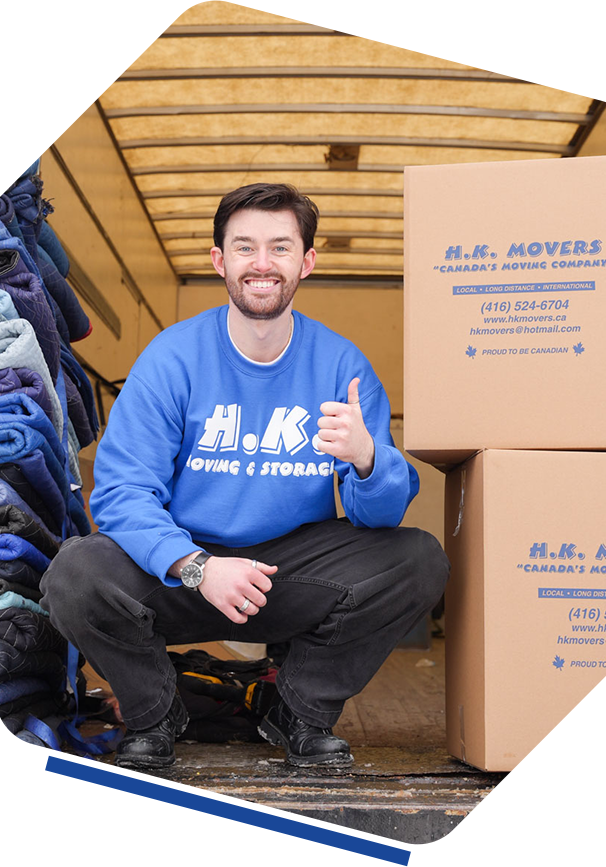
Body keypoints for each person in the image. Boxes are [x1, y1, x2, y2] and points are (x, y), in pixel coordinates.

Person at [41, 183, 449, 770]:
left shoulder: (341, 365)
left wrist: (367, 459)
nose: (262, 264)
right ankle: (156, 714)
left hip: (288, 572)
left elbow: (379, 517)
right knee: (75, 573)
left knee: (419, 559)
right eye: (245, 247)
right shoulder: (171, 358)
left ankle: (298, 711)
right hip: (181, 568)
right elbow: (124, 493)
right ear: (220, 260)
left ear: (306, 262)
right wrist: (197, 566)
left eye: (280, 248)